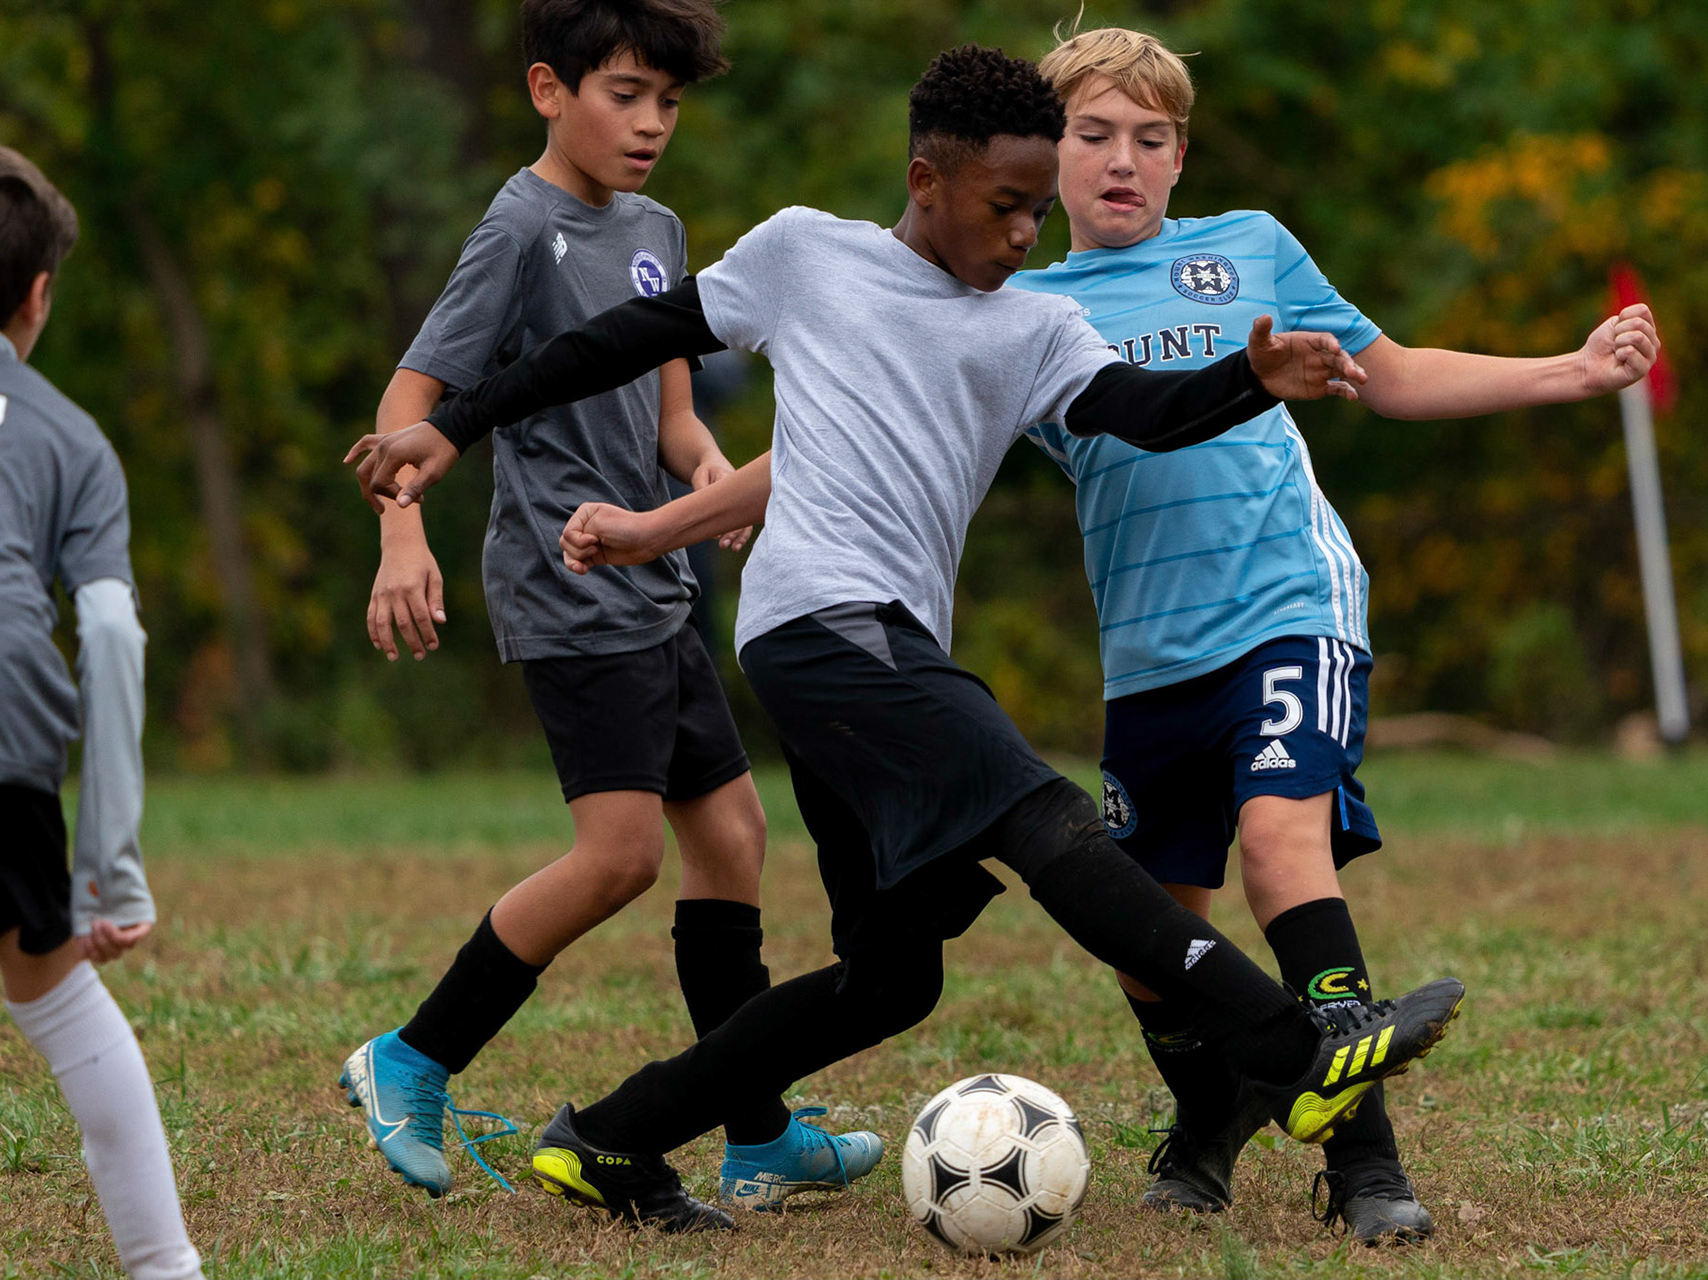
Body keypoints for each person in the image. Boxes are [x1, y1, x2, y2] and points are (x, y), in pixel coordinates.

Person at [350, 44, 1468, 1234]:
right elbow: (615, 341)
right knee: (1042, 815)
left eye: (1041, 209)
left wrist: (1251, 375)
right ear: (926, 180)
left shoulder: (1032, 328)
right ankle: (1297, 1050)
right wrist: (453, 427)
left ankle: (611, 1137)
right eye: (1004, 206)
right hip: (821, 630)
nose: (1028, 232)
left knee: (893, 976)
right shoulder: (804, 253)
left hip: (874, 652)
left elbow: (1145, 414)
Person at [1005, 26, 1662, 1244]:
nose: (1121, 160)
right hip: (1148, 649)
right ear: (1048, 156)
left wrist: (1570, 371)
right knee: (1150, 933)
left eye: (1149, 139)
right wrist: (711, 509)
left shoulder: (1248, 248)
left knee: (1277, 842)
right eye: (1093, 135)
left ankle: (1365, 1163)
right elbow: (889, 428)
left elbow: (1394, 372)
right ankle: (1211, 1117)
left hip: (1289, 605)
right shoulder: (1017, 306)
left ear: (1181, 156)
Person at [338, 0, 883, 1206]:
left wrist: (702, 473)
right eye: (624, 95)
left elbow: (674, 406)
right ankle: (411, 1056)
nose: (649, 125)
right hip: (566, 578)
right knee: (621, 856)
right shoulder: (518, 229)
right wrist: (402, 534)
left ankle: (756, 1131)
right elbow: (410, 399)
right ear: (548, 90)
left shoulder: (657, 227)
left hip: (658, 579)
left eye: (669, 104)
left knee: (734, 838)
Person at [0, 143, 203, 1280]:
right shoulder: (71, 436)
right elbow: (115, 637)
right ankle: (166, 1267)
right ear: (37, 297)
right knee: (54, 988)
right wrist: (109, 867)